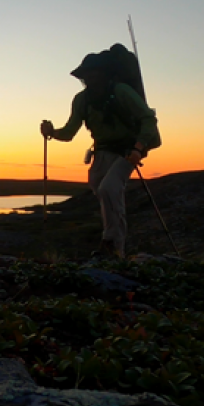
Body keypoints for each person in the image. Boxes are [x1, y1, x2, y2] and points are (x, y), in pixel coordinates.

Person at [40, 50, 161, 258]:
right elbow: (69, 133)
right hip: (102, 153)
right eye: (86, 74)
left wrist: (138, 149)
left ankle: (112, 244)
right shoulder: (81, 100)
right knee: (105, 192)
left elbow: (148, 119)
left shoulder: (122, 91)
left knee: (109, 189)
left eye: (93, 73)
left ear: (104, 73)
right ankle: (115, 247)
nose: (89, 78)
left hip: (128, 151)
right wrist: (52, 133)